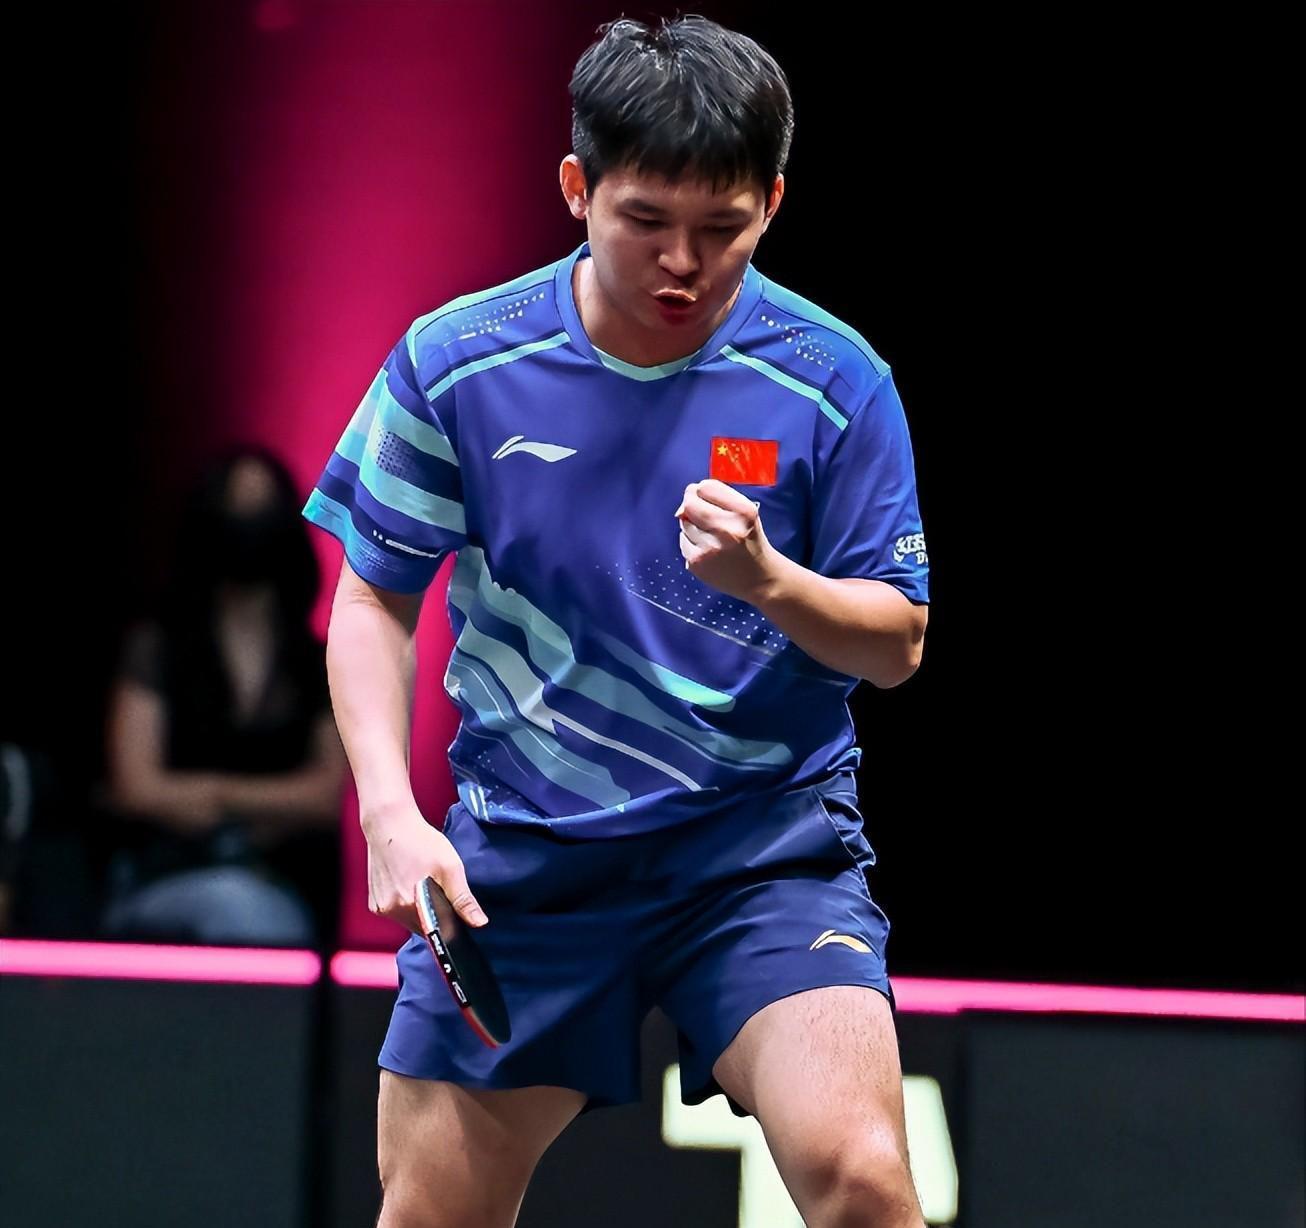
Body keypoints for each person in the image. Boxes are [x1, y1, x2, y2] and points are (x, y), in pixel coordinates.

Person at [304, 16, 929, 1226]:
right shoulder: (457, 363)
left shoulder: (833, 379)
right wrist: (386, 809)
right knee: (430, 1214)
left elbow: (895, 642)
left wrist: (770, 582)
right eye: (646, 220)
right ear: (576, 189)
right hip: (527, 860)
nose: (682, 263)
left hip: (756, 852)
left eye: (722, 228)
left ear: (772, 204)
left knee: (862, 1179)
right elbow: (374, 597)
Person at [102, 447, 347, 948]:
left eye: (260, 508)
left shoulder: (315, 665)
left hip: (286, 883)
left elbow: (325, 796)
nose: (247, 523)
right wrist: (270, 807)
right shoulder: (158, 649)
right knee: (237, 908)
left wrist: (207, 797)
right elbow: (135, 786)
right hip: (164, 875)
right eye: (234, 506)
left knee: (251, 911)